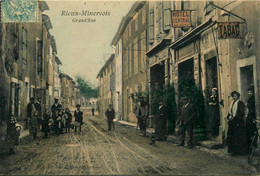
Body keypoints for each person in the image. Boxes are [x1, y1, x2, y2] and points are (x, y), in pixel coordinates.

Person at [227, 91, 248, 155]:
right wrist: (229, 116)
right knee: (232, 137)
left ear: (238, 96)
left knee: (238, 137)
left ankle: (240, 151)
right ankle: (233, 151)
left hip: (239, 123)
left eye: (235, 96)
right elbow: (230, 112)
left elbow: (241, 113)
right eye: (233, 96)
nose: (234, 97)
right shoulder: (232, 103)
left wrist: (235, 118)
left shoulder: (240, 103)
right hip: (233, 122)